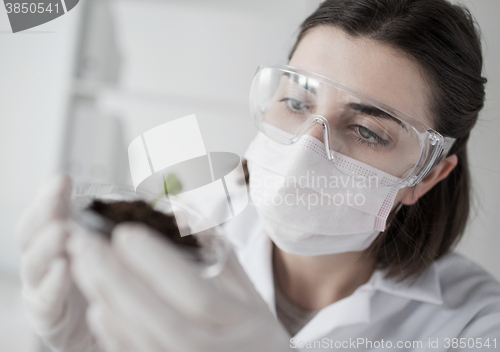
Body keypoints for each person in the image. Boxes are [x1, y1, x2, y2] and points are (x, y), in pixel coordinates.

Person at [17, 0, 500, 351]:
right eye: (295, 102)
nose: (306, 150)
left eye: (367, 131)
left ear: (428, 176)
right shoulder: (181, 229)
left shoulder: (477, 326)